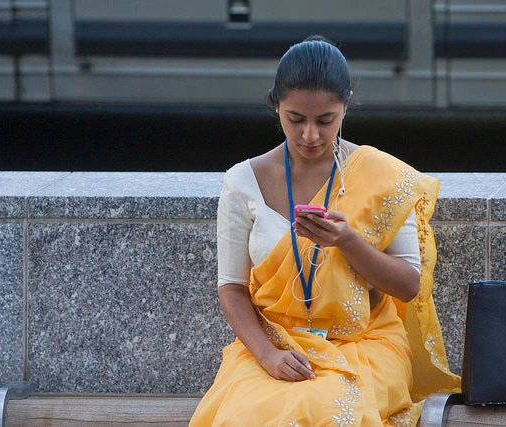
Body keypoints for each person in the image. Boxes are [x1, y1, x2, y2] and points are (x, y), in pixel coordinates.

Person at [189, 35, 460, 426]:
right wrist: (269, 356)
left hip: (364, 345)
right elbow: (231, 287)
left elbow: (407, 286)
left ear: (346, 105)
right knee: (243, 416)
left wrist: (347, 241)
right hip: (275, 346)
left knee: (323, 412)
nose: (310, 136)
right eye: (295, 119)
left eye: (325, 120)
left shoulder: (382, 176)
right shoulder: (243, 182)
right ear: (276, 105)